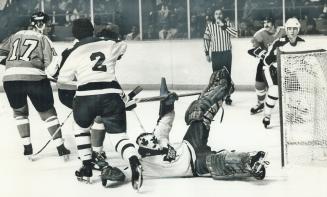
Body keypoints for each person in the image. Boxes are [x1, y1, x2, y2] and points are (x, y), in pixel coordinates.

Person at [101, 68, 268, 186]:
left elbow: (166, 118)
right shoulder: (140, 163)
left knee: (198, 114)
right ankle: (249, 161)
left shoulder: (158, 137)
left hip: (190, 144)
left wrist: (168, 102)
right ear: (144, 150)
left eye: (152, 140)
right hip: (193, 165)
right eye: (150, 144)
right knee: (215, 162)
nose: (154, 143)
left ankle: (223, 87)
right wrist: (109, 172)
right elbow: (122, 174)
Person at [56, 18, 143, 190]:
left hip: (85, 97)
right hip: (111, 95)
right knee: (119, 137)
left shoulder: (74, 51)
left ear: (74, 34)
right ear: (93, 30)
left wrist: (82, 83)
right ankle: (133, 160)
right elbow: (123, 46)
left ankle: (87, 168)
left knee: (81, 129)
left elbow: (61, 82)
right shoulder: (109, 44)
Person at [0, 11, 70, 161]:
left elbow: (0, 55)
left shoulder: (14, 35)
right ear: (41, 24)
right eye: (49, 24)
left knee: (19, 113)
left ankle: (27, 149)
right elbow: (51, 69)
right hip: (35, 79)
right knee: (47, 113)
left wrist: (16, 66)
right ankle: (61, 148)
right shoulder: (43, 38)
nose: (50, 28)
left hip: (10, 79)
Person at [262, 17, 306, 128]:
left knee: (296, 92)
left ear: (298, 30)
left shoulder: (302, 43)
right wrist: (274, 55)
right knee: (274, 91)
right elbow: (266, 61)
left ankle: (293, 114)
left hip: (288, 71)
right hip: (272, 70)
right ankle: (267, 115)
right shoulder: (279, 43)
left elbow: (304, 60)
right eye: (289, 28)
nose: (292, 31)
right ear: (286, 29)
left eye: (295, 28)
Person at [247, 17, 285, 115]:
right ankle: (260, 104)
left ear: (273, 23)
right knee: (259, 84)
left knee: (288, 83)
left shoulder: (283, 31)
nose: (265, 24)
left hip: (281, 62)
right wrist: (263, 54)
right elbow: (253, 49)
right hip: (265, 62)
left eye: (268, 22)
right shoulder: (259, 34)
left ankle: (291, 104)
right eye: (264, 22)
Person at [203, 8, 238, 105]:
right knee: (216, 76)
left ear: (222, 15)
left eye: (220, 14)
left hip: (226, 53)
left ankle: (227, 96)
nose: (218, 15)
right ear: (214, 16)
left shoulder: (227, 24)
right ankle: (217, 96)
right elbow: (206, 40)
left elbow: (236, 34)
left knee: (227, 75)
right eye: (216, 14)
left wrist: (224, 26)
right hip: (216, 54)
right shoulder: (210, 26)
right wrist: (206, 53)